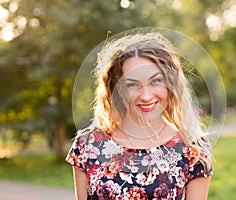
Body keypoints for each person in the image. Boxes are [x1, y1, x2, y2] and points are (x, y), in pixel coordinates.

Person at [66, 31, 213, 200]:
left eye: (155, 81)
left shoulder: (194, 148)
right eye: (132, 84)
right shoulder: (87, 145)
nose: (146, 95)